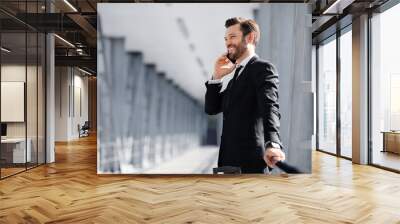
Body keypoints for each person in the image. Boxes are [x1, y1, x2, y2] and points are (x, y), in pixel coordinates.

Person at [205, 17, 285, 174]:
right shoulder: (235, 78)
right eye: (226, 39)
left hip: (249, 165)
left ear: (250, 37)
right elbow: (211, 108)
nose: (228, 43)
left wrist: (273, 143)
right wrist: (217, 77)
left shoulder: (262, 68)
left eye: (233, 37)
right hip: (228, 163)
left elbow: (270, 107)